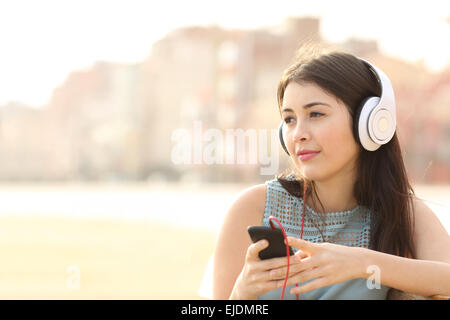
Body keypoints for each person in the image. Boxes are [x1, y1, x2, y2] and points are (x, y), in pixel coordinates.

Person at [212, 47, 450, 300]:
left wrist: (362, 262)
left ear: (368, 123)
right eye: (290, 119)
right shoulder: (253, 207)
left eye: (316, 114)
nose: (298, 134)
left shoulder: (402, 212)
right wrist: (241, 293)